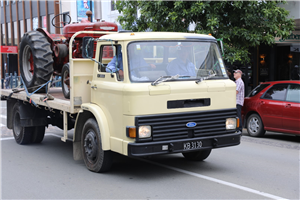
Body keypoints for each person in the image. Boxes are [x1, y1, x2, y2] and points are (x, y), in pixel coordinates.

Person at [233, 69, 244, 134]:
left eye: (235, 73)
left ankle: (239, 129)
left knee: (238, 115)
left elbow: (236, 92)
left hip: (238, 102)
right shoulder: (236, 82)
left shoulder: (239, 82)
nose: (234, 74)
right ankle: (237, 128)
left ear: (239, 74)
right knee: (236, 115)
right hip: (236, 102)